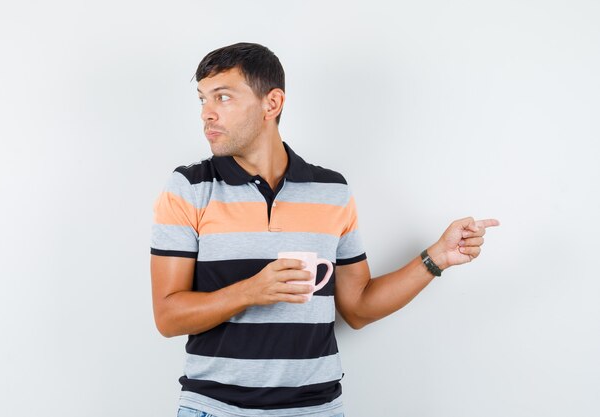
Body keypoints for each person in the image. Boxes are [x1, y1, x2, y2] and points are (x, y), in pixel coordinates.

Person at [150, 42, 499, 417]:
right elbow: (168, 317)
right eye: (202, 99)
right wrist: (251, 291)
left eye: (223, 97)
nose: (207, 114)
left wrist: (437, 258)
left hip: (316, 409)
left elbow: (359, 308)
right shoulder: (189, 187)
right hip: (215, 409)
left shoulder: (332, 191)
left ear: (272, 103)